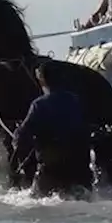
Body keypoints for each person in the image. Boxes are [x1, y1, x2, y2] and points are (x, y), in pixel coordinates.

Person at [10, 61, 93, 198]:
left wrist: (16, 164)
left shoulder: (39, 105)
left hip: (52, 170)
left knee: (34, 200)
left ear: (41, 80)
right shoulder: (76, 100)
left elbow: (21, 137)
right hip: (80, 169)